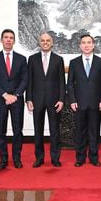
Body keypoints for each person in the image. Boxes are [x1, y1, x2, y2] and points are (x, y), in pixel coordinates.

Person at [0, 29, 28, 170]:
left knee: (18, 130)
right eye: (6, 37)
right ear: (1, 40)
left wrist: (15, 95)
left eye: (11, 38)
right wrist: (5, 95)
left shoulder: (22, 59)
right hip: (0, 99)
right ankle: (3, 159)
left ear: (14, 41)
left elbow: (24, 80)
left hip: (16, 100)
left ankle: (17, 158)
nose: (8, 40)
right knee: (1, 130)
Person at [26, 33, 66, 168]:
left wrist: (61, 99)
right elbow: (29, 81)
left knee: (55, 131)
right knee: (38, 131)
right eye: (42, 41)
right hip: (36, 100)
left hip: (54, 100)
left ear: (52, 43)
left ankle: (55, 158)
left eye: (48, 40)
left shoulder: (58, 59)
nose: (45, 42)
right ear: (39, 43)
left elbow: (62, 82)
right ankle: (39, 158)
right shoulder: (32, 59)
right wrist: (29, 99)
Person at [67, 34, 101, 167]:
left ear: (93, 45)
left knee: (94, 132)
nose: (86, 45)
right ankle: (80, 158)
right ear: (80, 46)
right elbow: (70, 83)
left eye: (89, 42)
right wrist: (72, 100)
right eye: (84, 43)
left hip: (96, 103)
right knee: (80, 132)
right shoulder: (74, 62)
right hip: (79, 103)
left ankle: (94, 158)